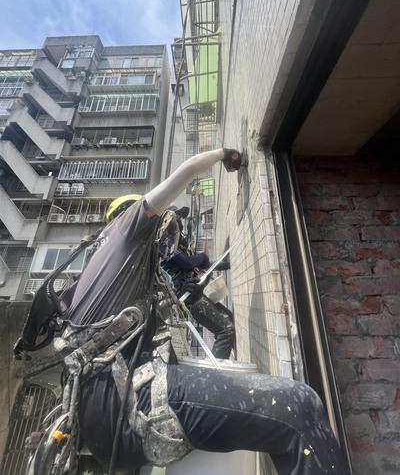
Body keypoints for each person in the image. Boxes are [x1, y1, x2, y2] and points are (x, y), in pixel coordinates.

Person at [64, 148, 349, 475]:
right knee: (299, 406)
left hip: (104, 425)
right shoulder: (126, 230)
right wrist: (224, 154)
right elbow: (186, 171)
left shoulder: (98, 269)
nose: (164, 236)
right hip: (128, 402)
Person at [160, 206, 235, 359]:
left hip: (194, 291)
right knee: (226, 330)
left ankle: (225, 360)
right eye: (177, 218)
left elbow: (206, 265)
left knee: (228, 317)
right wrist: (202, 256)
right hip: (184, 297)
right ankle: (216, 373)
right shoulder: (165, 244)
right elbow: (188, 262)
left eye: (180, 218)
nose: (180, 222)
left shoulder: (180, 245)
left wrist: (231, 264)